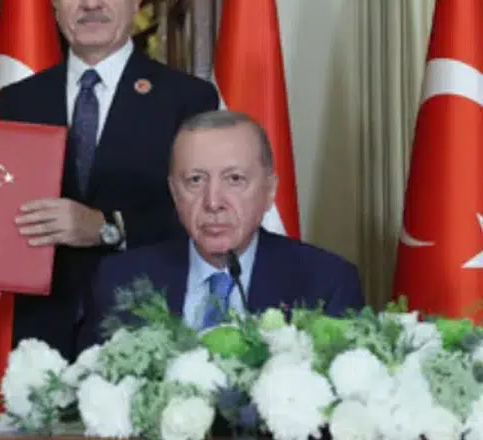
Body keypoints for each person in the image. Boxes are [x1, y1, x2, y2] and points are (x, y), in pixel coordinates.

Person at [0, 0, 219, 360]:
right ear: (55, 4)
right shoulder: (18, 101)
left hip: (148, 333)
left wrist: (105, 227)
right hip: (43, 341)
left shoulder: (187, 99)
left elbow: (206, 215)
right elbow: (2, 213)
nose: (90, 2)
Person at [80, 110, 365, 348]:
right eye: (195, 180)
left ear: (269, 191)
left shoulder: (326, 283)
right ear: (174, 193)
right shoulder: (120, 280)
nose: (213, 202)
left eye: (234, 179)